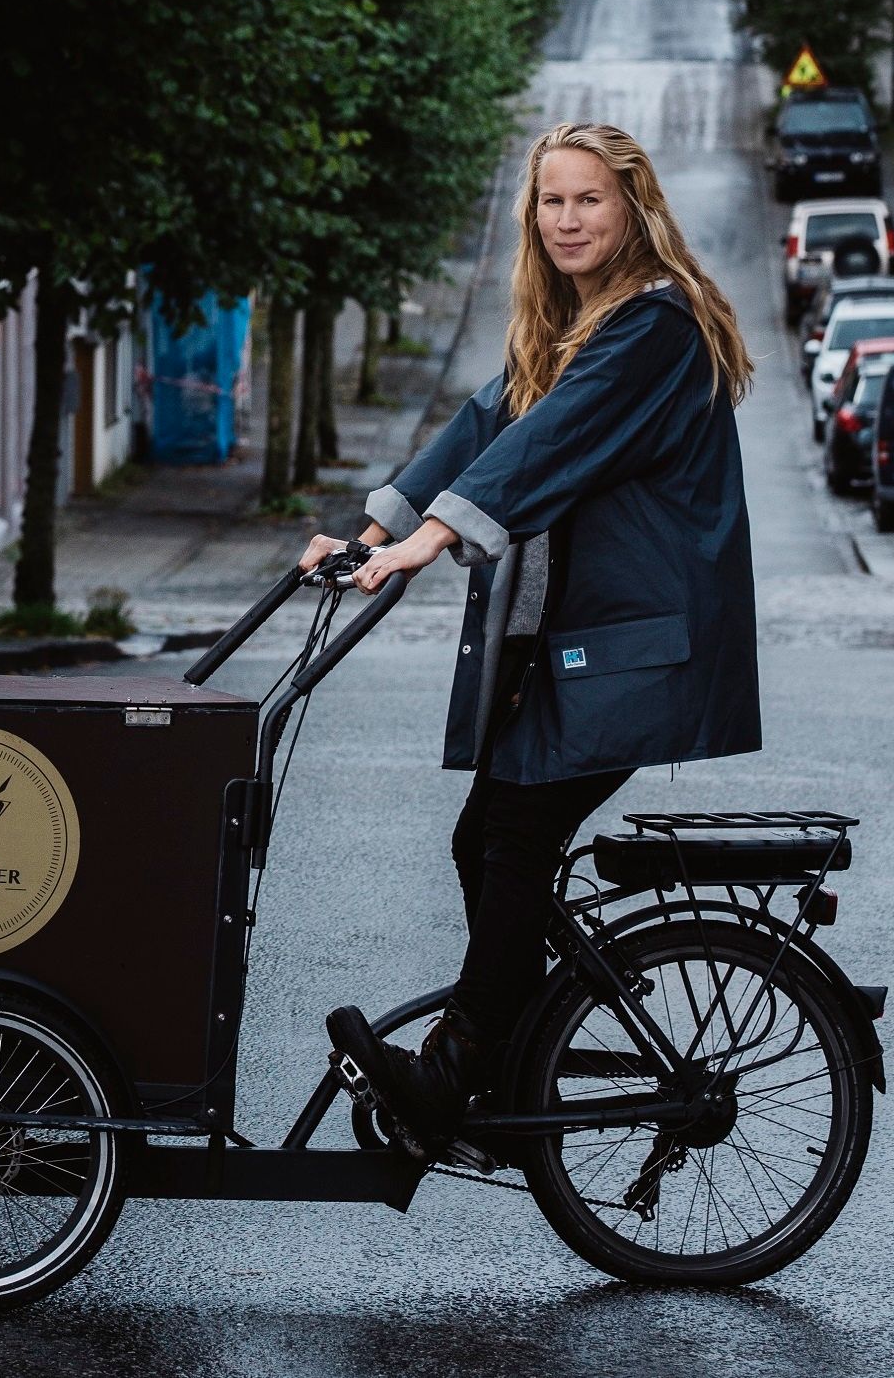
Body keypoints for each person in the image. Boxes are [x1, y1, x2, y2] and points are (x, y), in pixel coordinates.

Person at [308, 122, 760, 1163]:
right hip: (589, 646)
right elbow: (489, 423)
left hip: (636, 646)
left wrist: (426, 541)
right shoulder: (574, 322)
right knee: (486, 841)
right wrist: (370, 529)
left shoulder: (653, 326)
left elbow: (545, 446)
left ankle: (462, 1068)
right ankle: (503, 1066)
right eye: (549, 202)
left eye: (586, 200)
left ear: (632, 208)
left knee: (510, 839)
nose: (564, 220)